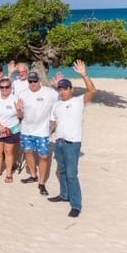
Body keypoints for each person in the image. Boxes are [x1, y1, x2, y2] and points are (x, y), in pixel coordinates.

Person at [48, 60, 96, 218]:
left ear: (71, 89)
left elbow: (92, 90)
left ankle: (76, 205)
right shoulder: (57, 105)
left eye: (65, 88)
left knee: (71, 174)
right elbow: (54, 123)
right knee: (61, 171)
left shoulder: (78, 102)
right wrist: (48, 132)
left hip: (72, 144)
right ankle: (64, 195)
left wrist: (84, 74)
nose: (62, 91)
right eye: (60, 89)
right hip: (59, 143)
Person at [16, 71, 58, 195]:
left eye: (35, 81)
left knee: (44, 157)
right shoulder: (23, 94)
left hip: (42, 131)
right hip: (26, 130)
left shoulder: (49, 92)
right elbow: (20, 116)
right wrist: (18, 110)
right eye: (30, 81)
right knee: (28, 152)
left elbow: (61, 100)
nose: (33, 83)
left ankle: (42, 183)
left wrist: (54, 121)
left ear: (39, 80)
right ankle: (33, 175)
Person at [0, 77, 21, 183]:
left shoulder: (15, 99)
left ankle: (9, 174)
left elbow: (20, 116)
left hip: (11, 129)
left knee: (8, 152)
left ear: (10, 87)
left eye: (7, 87)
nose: (4, 89)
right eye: (2, 87)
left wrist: (19, 109)